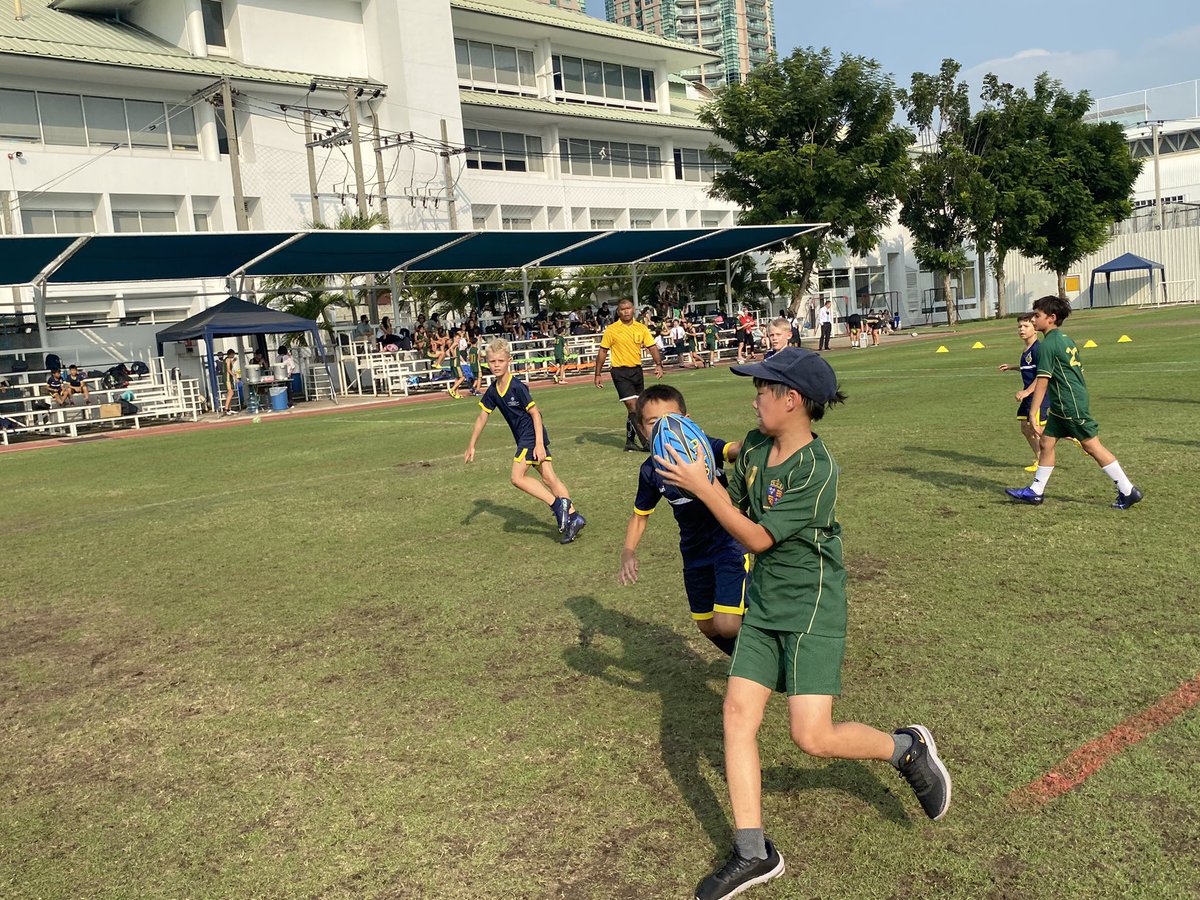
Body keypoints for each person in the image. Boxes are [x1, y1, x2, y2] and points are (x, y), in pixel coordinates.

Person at [655, 347, 952, 900]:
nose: (755, 397)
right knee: (737, 714)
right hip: (763, 600)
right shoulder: (758, 445)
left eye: (762, 389)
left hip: (811, 604)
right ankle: (753, 852)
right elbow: (736, 507)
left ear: (791, 400)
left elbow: (759, 536)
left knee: (810, 736)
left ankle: (905, 748)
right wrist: (695, 469)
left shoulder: (818, 469)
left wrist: (705, 488)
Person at [618, 384, 746, 656]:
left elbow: (734, 450)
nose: (664, 428)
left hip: (729, 543)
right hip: (694, 553)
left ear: (688, 422)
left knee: (728, 623)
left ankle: (757, 663)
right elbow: (640, 516)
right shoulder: (651, 470)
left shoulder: (703, 446)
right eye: (653, 422)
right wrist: (628, 552)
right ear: (641, 429)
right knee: (707, 626)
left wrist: (756, 440)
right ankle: (752, 662)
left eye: (672, 420)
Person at [1006, 295, 1142, 509]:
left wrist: (1032, 413)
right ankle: (1035, 491)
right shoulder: (1064, 338)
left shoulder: (1048, 344)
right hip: (1064, 403)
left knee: (1091, 445)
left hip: (1069, 404)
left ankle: (1127, 490)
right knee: (1046, 443)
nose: (1033, 320)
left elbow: (1042, 380)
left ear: (1051, 318)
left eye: (1037, 316)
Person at [464, 339, 586, 543]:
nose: (496, 365)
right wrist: (471, 444)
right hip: (525, 437)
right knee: (549, 478)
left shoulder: (517, 387)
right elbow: (482, 416)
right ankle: (574, 517)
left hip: (531, 436)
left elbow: (535, 414)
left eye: (500, 361)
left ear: (509, 361)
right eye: (492, 361)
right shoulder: (493, 390)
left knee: (517, 477)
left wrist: (538, 443)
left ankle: (557, 506)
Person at [594, 298, 664, 453]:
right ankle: (646, 442)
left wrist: (658, 364)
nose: (626, 311)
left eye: (628, 308)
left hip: (636, 371)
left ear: (633, 310)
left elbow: (652, 347)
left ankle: (629, 442)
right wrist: (597, 373)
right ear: (618, 312)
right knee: (633, 407)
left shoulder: (641, 328)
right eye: (622, 309)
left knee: (636, 407)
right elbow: (603, 351)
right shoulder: (612, 329)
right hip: (620, 372)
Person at [998, 313, 1051, 473]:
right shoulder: (1027, 349)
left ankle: (1074, 437)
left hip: (1037, 396)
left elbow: (1042, 374)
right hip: (1029, 397)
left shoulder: (1038, 349)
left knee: (1037, 431)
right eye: (1019, 326)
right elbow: (1029, 368)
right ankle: (1040, 457)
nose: (1021, 329)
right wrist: (1012, 367)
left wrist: (1026, 391)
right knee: (1026, 428)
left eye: (1025, 326)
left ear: (1034, 329)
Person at [220, 349, 238, 415]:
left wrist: (233, 361)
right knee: (231, 392)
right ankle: (226, 409)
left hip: (227, 378)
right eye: (233, 354)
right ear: (231, 354)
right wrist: (234, 376)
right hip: (227, 379)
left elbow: (229, 365)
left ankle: (228, 408)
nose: (233, 355)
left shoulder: (227, 360)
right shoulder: (228, 359)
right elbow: (228, 369)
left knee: (229, 393)